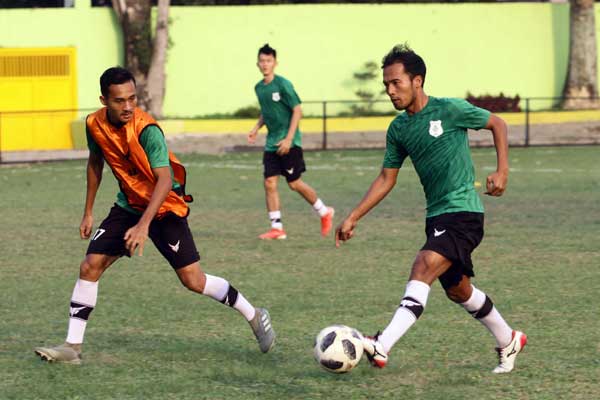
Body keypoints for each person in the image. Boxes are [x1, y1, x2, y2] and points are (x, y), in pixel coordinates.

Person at [34, 67, 275, 364]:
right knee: (90, 266)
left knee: (193, 280)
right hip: (128, 205)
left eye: (132, 99)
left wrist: (143, 226)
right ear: (103, 100)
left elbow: (163, 180)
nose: (128, 106)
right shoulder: (93, 124)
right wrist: (87, 212)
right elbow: (95, 162)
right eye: (120, 101)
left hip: (165, 208)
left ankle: (253, 314)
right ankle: (73, 346)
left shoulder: (147, 130)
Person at [335, 44, 527, 374]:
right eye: (386, 85)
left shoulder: (449, 110)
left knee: (423, 264)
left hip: (464, 212)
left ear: (417, 80)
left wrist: (502, 171)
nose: (390, 91)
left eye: (396, 83)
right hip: (436, 216)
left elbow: (497, 123)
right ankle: (508, 338)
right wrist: (354, 215)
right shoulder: (398, 129)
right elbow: (386, 178)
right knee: (459, 290)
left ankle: (382, 344)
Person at [248, 44, 334, 240]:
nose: (265, 64)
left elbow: (297, 110)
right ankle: (277, 228)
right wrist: (256, 128)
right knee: (269, 183)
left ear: (275, 63)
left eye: (269, 61)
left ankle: (324, 211)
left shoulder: (283, 84)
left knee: (294, 184)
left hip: (290, 143)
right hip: (272, 143)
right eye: (262, 61)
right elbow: (266, 111)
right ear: (257, 64)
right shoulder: (259, 88)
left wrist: (288, 139)